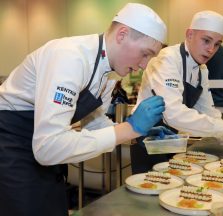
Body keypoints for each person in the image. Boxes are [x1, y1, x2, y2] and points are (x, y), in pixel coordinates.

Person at [0, 3, 171, 216]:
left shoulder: (109, 74)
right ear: (122, 34)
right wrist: (129, 128)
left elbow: (97, 123)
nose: (145, 65)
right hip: (11, 141)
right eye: (145, 54)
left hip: (42, 144)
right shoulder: (69, 57)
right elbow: (47, 148)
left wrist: (136, 135)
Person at [130, 10, 223, 174]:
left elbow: (208, 110)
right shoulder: (167, 58)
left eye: (217, 44)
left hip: (171, 141)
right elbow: (173, 113)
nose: (211, 49)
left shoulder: (202, 70)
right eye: (206, 40)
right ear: (189, 34)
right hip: (148, 141)